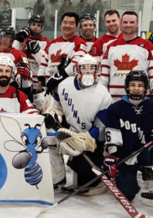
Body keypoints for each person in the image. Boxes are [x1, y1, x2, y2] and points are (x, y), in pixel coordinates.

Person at [101, 70, 153, 209]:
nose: (136, 88)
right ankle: (128, 177)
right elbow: (112, 132)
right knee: (127, 194)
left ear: (146, 87)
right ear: (126, 87)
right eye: (132, 84)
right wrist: (112, 155)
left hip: (147, 149)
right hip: (127, 154)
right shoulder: (115, 108)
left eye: (140, 85)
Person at [44, 54, 111, 193]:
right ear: (76, 70)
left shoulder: (103, 93)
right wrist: (52, 115)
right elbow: (56, 105)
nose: (87, 71)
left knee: (86, 177)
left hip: (88, 139)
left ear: (97, 70)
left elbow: (102, 127)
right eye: (84, 68)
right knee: (47, 134)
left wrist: (83, 141)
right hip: (68, 131)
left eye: (91, 68)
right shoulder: (65, 84)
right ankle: (57, 178)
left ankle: (80, 163)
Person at [99, 11, 153, 103]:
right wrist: (101, 92)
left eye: (132, 22)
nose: (128, 25)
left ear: (137, 24)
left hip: (141, 99)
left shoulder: (148, 46)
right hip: (114, 100)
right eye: (125, 22)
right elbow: (104, 74)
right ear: (121, 23)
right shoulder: (110, 46)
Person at [13, 14, 50, 106]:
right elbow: (13, 56)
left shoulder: (46, 42)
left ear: (42, 28)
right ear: (29, 25)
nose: (35, 27)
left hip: (37, 84)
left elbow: (46, 63)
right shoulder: (22, 38)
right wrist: (18, 38)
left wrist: (36, 51)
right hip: (21, 81)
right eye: (33, 24)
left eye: (38, 25)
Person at [0, 27, 32, 92]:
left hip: (8, 91)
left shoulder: (19, 54)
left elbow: (26, 80)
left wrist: (25, 75)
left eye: (6, 38)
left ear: (12, 40)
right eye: (0, 38)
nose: (2, 41)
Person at [44, 12, 84, 86]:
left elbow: (76, 63)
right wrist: (40, 79)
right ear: (61, 24)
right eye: (65, 22)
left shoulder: (80, 43)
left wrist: (61, 75)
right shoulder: (53, 43)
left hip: (68, 86)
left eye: (71, 23)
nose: (67, 26)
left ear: (77, 26)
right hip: (48, 84)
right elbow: (44, 62)